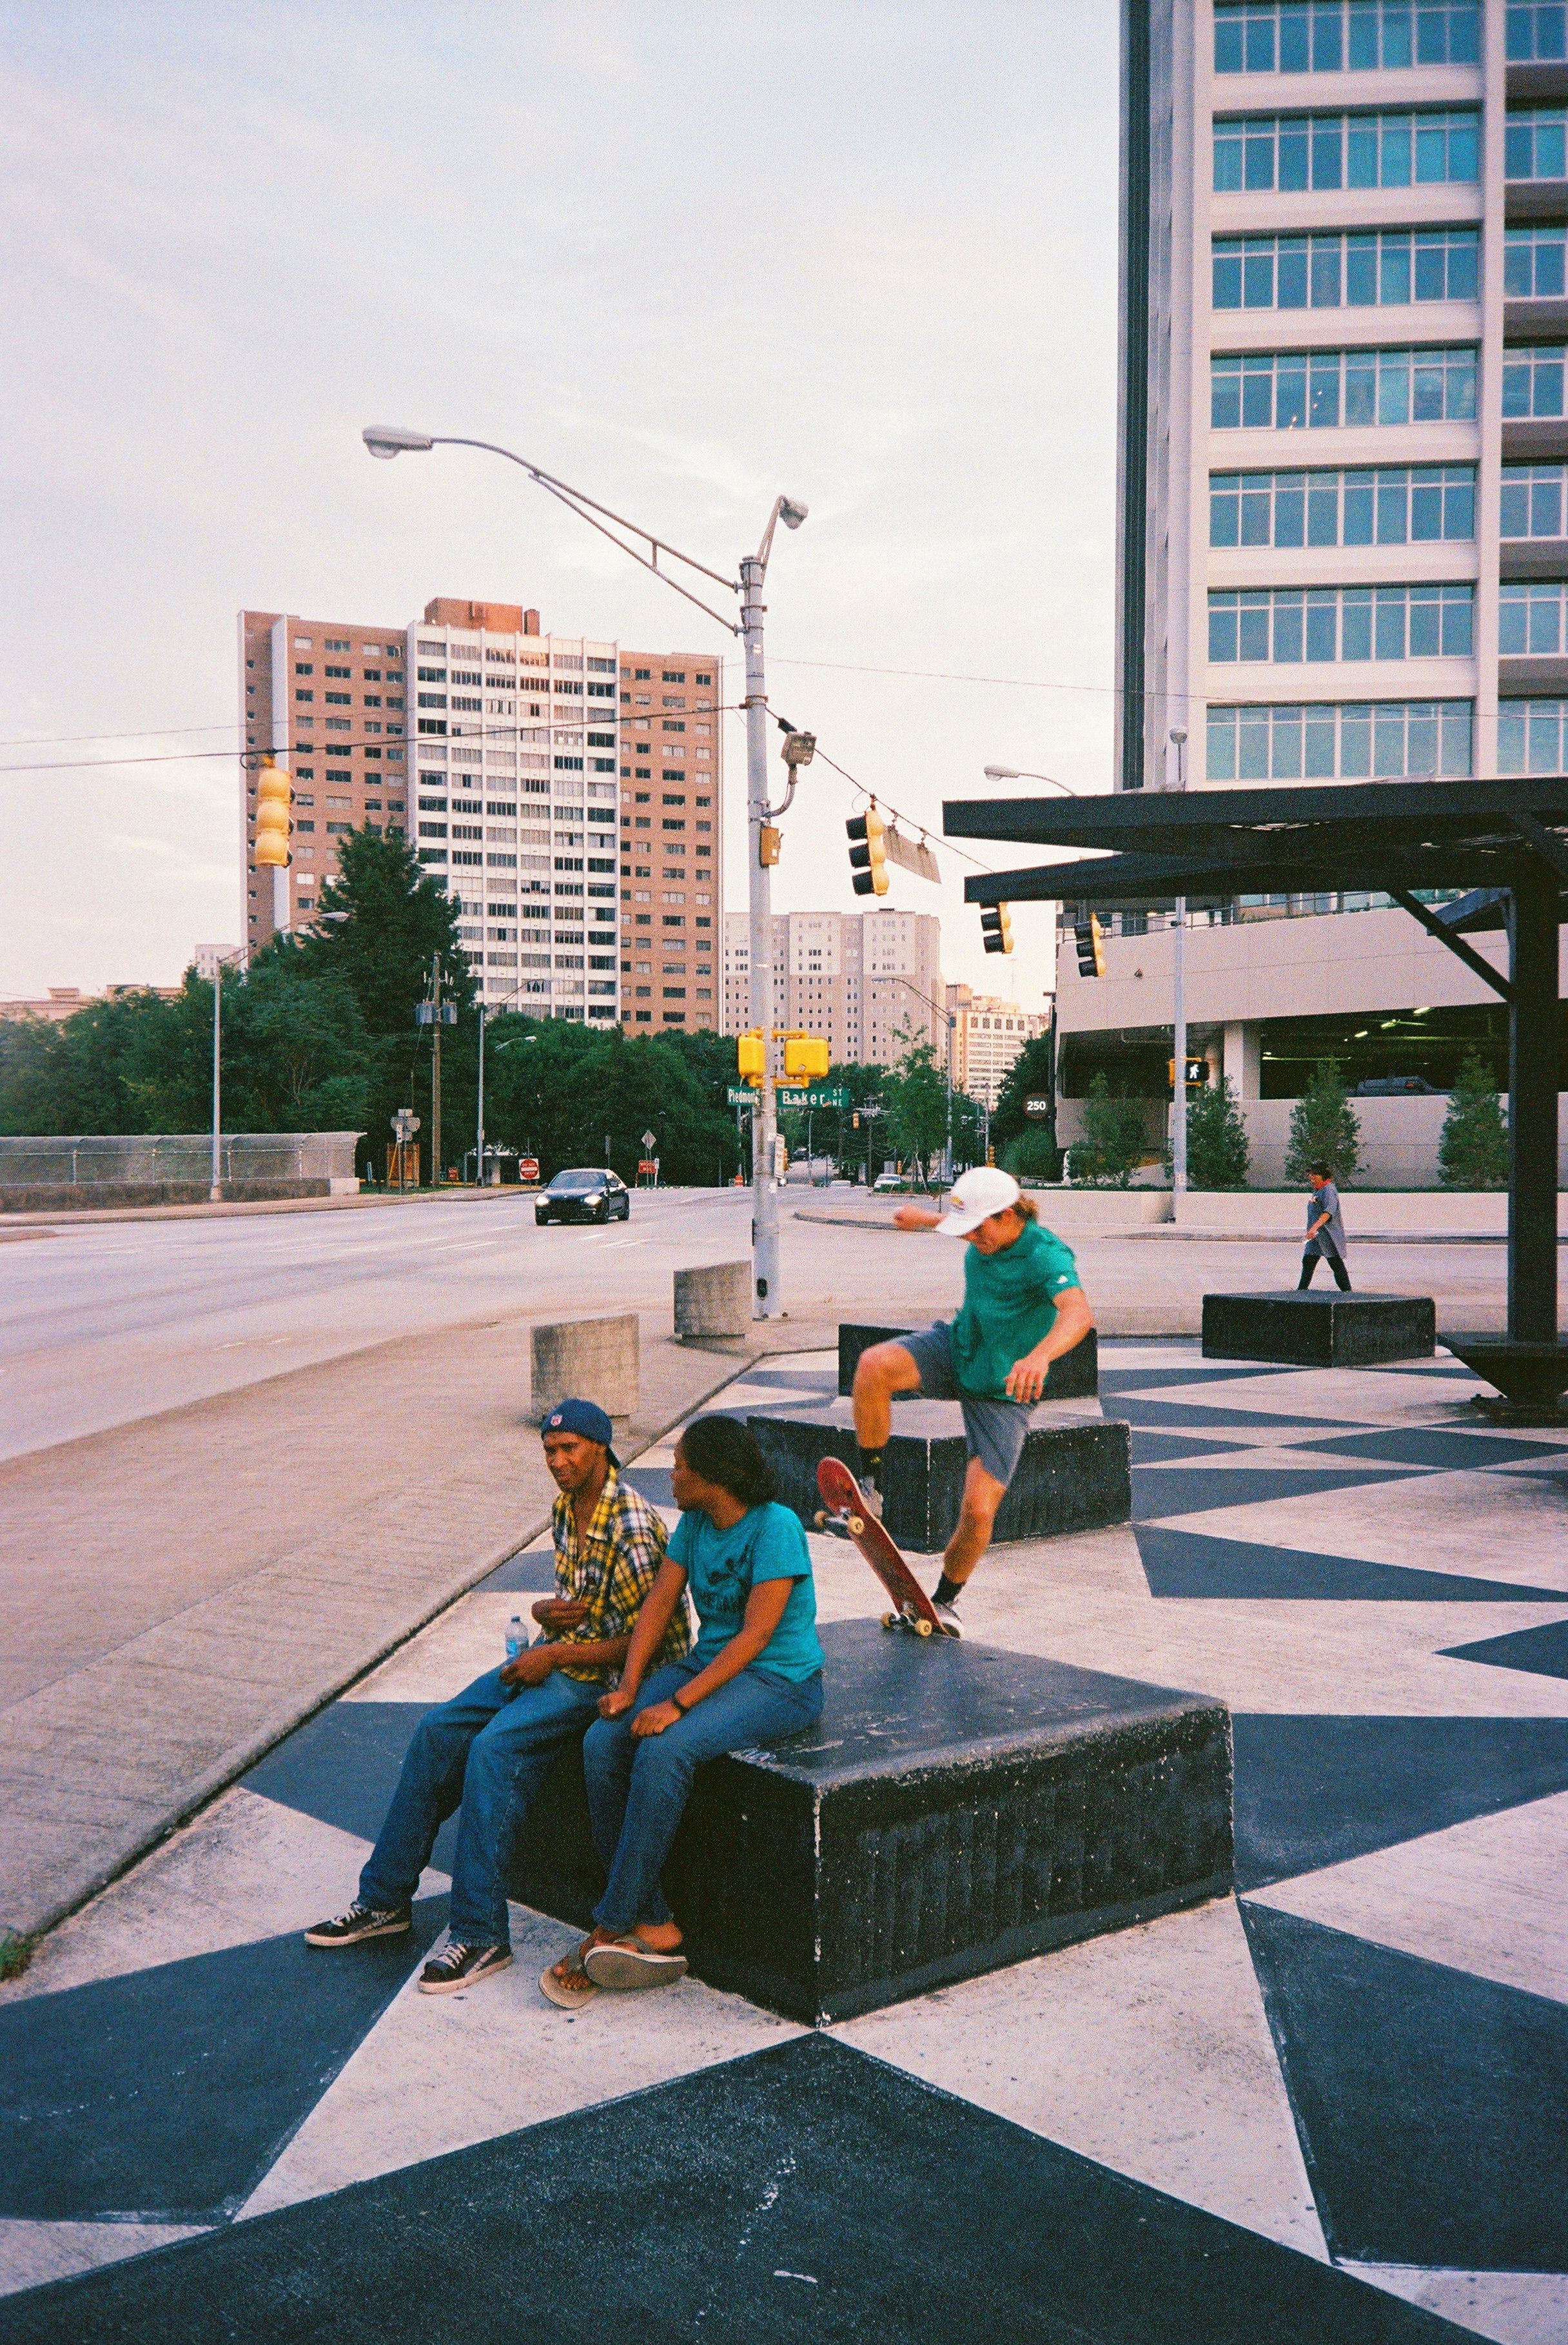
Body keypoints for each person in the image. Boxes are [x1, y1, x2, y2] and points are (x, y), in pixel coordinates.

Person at [304, 1397, 687, 1994]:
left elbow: (653, 1639)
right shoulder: (566, 1509)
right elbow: (577, 1606)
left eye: (569, 1449)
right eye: (549, 1451)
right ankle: (383, 1899)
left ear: (600, 1448)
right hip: (557, 1654)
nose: (557, 1462)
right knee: (437, 1730)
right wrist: (544, 1615)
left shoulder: (633, 1524)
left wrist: (553, 1653)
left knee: (493, 1749)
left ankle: (481, 1933)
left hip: (607, 1680)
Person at [542, 1415, 823, 2008]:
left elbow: (755, 1635)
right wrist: (632, 1686)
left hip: (779, 1679)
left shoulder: (777, 1527)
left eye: (680, 1465)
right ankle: (655, 1920)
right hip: (709, 1666)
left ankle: (613, 1922)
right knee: (604, 1736)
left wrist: (676, 1703)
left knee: (668, 1748)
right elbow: (660, 1602)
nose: (671, 1475)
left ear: (712, 1475)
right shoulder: (695, 1524)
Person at [850, 1164, 1093, 1634]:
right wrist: (921, 1218)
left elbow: (1078, 1312)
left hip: (1005, 1390)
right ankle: (871, 1486)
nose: (974, 1238)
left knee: (980, 1509)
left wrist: (1040, 1357)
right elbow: (962, 1227)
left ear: (1008, 1215)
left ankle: (943, 1601)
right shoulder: (986, 1230)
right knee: (873, 1366)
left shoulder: (1046, 1255)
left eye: (980, 1228)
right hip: (958, 1349)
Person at [1297, 1161, 1351, 1291]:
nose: (1312, 1177)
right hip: (1316, 1237)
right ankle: (1301, 1291)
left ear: (1322, 1175)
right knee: (1308, 1261)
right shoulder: (1317, 1191)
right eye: (1310, 1175)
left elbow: (1328, 1212)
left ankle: (1347, 1292)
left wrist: (1314, 1228)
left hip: (1328, 1235)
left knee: (1335, 1263)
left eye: (1315, 1174)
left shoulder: (1328, 1190)